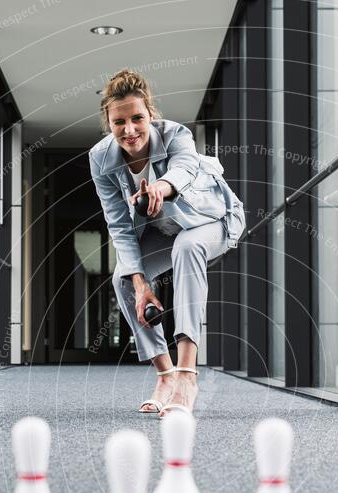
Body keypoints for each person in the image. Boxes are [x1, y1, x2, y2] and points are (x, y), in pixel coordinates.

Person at [89, 68, 246, 416]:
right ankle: (165, 374)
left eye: (137, 118)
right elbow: (118, 224)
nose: (129, 130)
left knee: (188, 247)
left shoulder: (176, 134)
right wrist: (142, 286)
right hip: (163, 230)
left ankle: (188, 374)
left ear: (150, 115)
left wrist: (161, 187)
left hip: (213, 219)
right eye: (119, 122)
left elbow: (185, 169)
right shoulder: (100, 158)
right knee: (124, 279)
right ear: (108, 122)